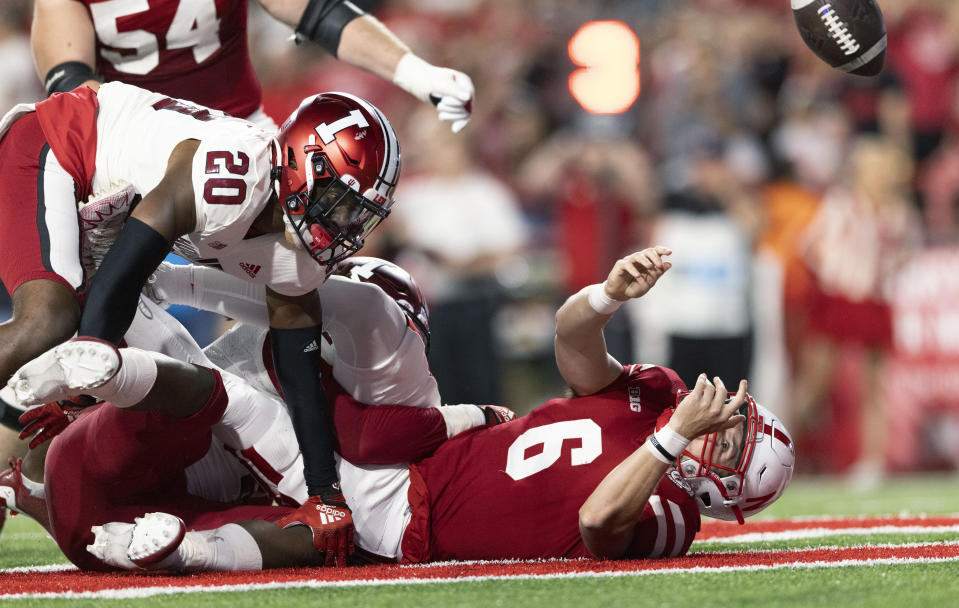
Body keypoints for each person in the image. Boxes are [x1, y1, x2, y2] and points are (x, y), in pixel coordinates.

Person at [7, 247, 795, 570]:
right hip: (408, 450)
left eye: (730, 446)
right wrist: (602, 296)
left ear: (721, 494)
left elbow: (596, 522)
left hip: (409, 506)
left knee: (231, 412)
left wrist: (667, 446)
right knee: (230, 405)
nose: (718, 422)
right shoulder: (656, 396)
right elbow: (573, 346)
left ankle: (161, 523)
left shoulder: (670, 516)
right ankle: (115, 338)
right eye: (734, 419)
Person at [0, 81, 401, 557]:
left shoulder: (300, 258)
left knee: (156, 382)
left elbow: (300, 376)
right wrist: (81, 378)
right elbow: (125, 270)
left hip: (110, 220)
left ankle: (25, 484)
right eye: (342, 203)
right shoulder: (232, 179)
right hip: (60, 142)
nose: (347, 226)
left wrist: (325, 495)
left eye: (360, 214)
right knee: (48, 323)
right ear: (302, 164)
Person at [31, 0, 474, 133]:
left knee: (301, 274)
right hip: (128, 150)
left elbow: (318, 12)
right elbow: (75, 94)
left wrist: (417, 72)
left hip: (240, 134)